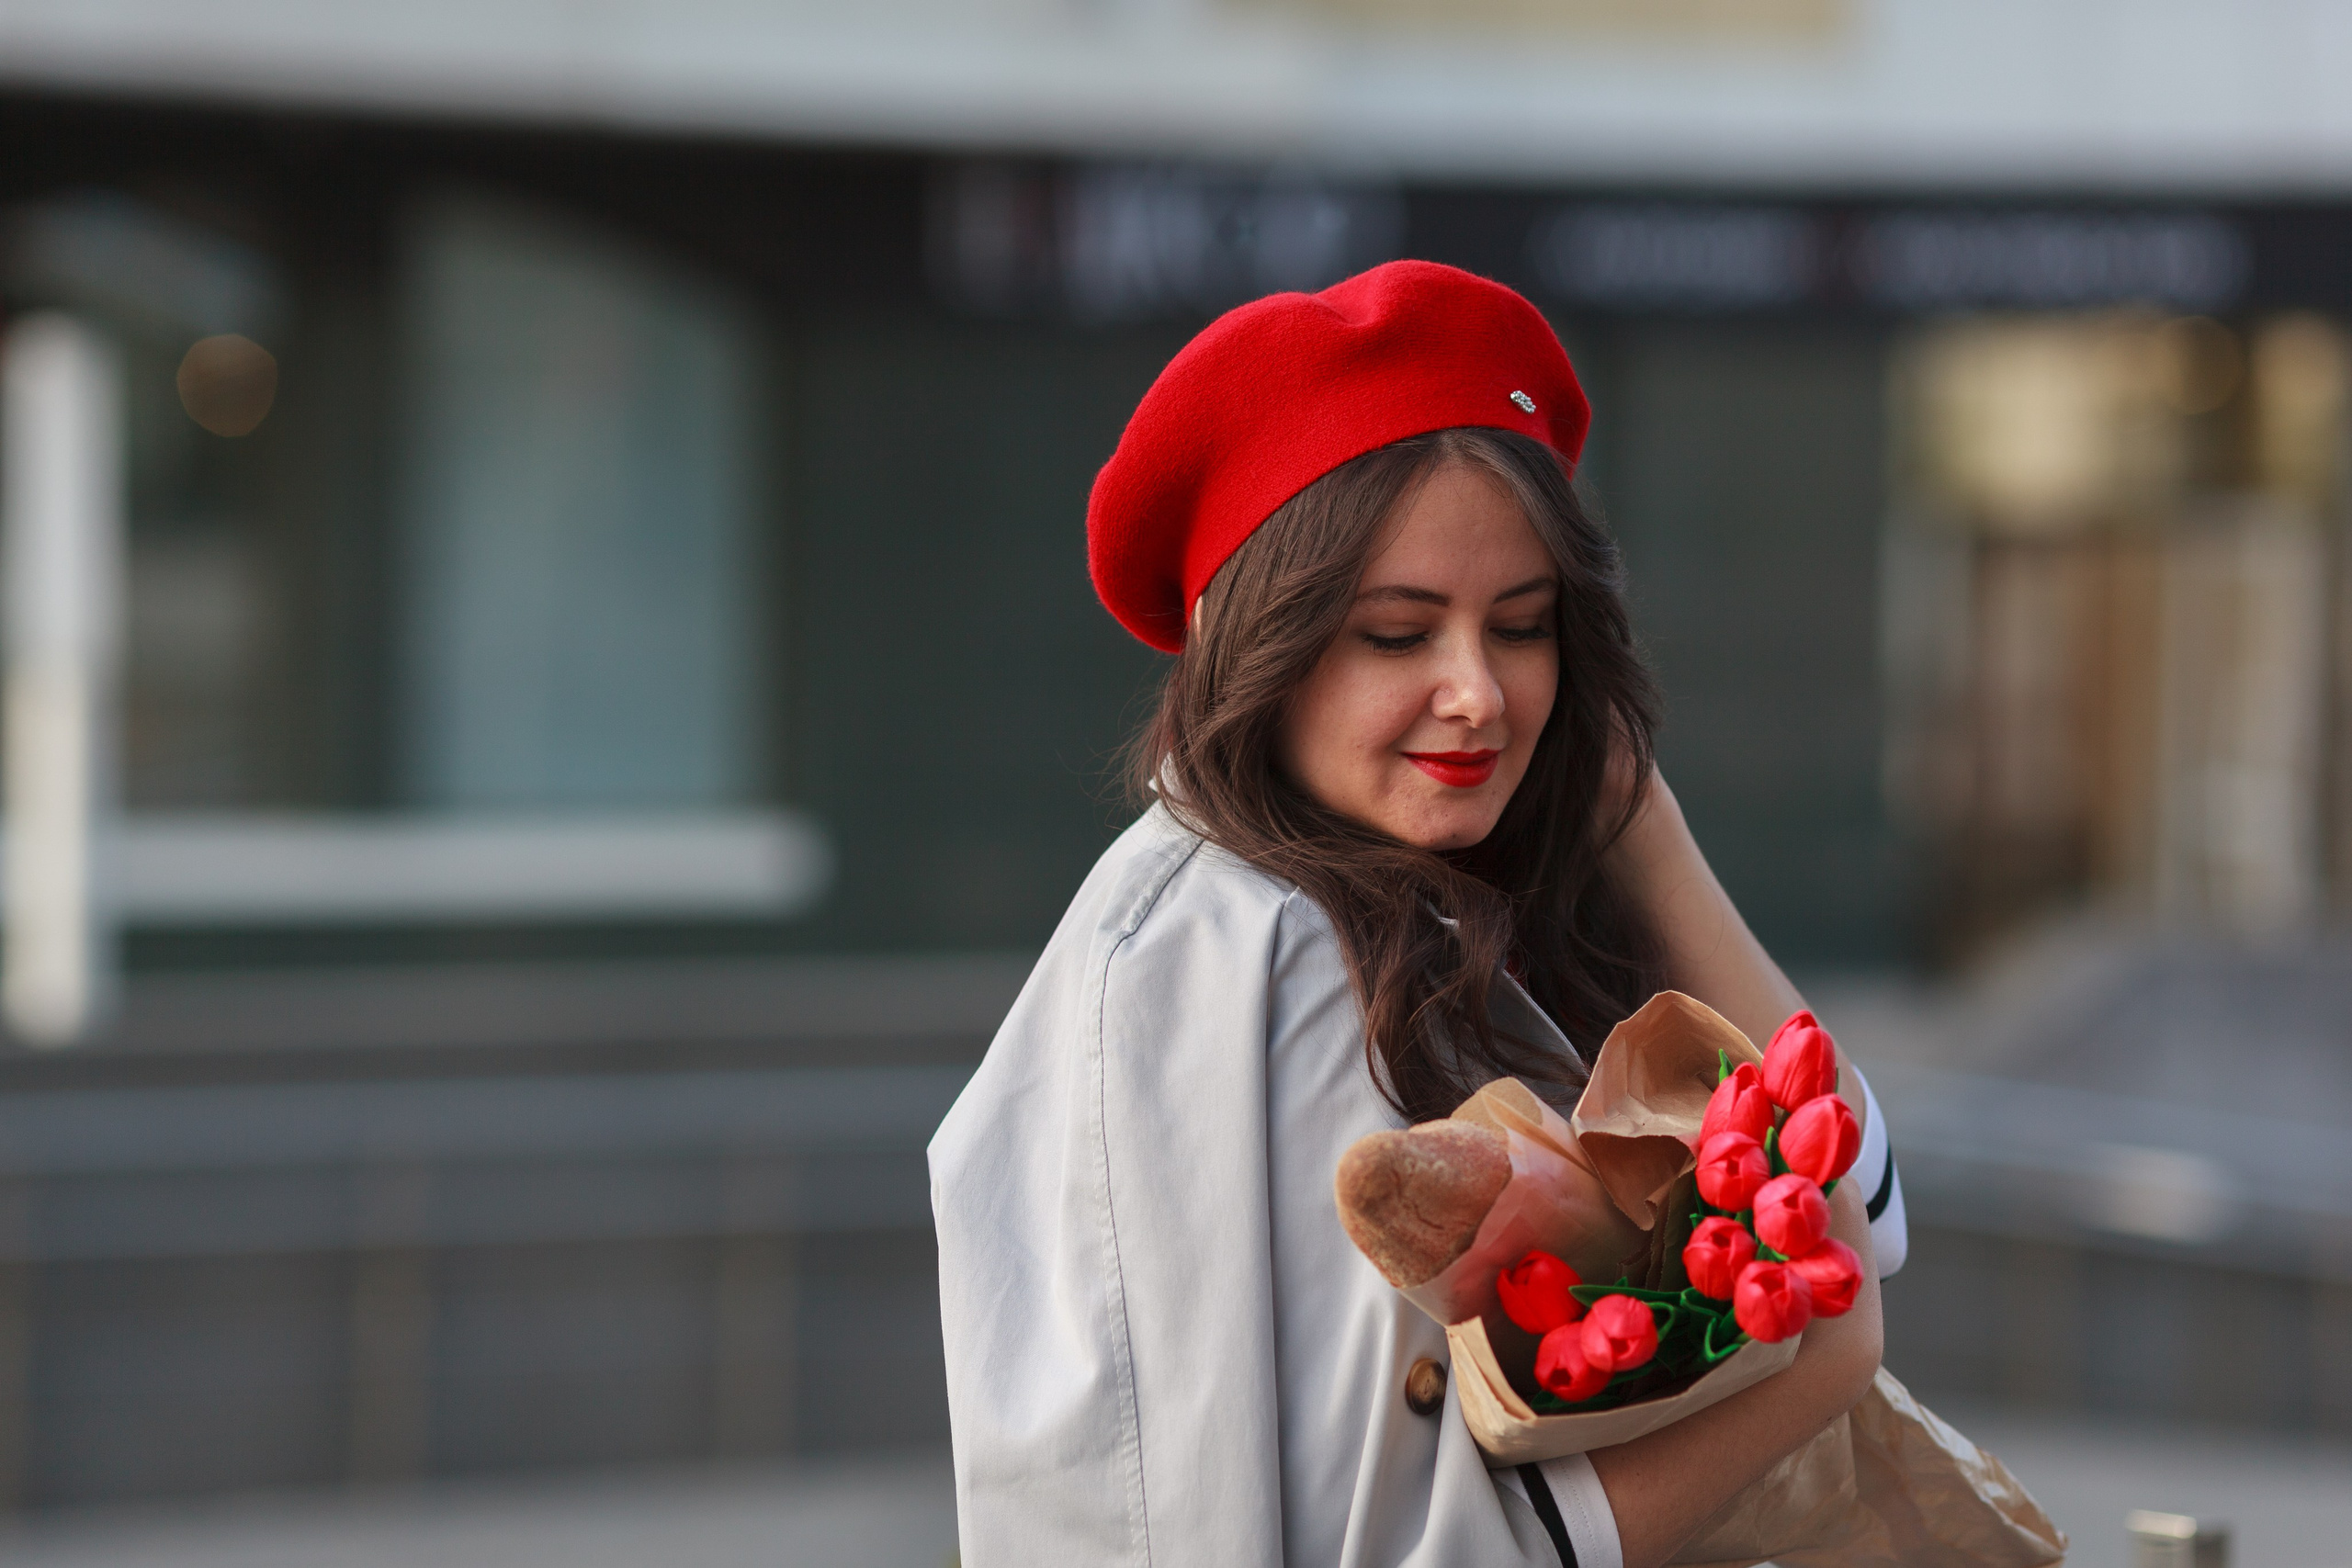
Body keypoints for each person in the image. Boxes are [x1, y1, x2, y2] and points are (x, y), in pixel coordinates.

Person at [929, 260, 1907, 1568]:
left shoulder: (1434, 895)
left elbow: (1855, 1200)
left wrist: (1643, 828)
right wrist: (1813, 1365)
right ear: (1254, 643)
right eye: (1398, 634)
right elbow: (1393, 1536)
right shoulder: (1234, 947)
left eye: (1521, 626)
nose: (1478, 695)